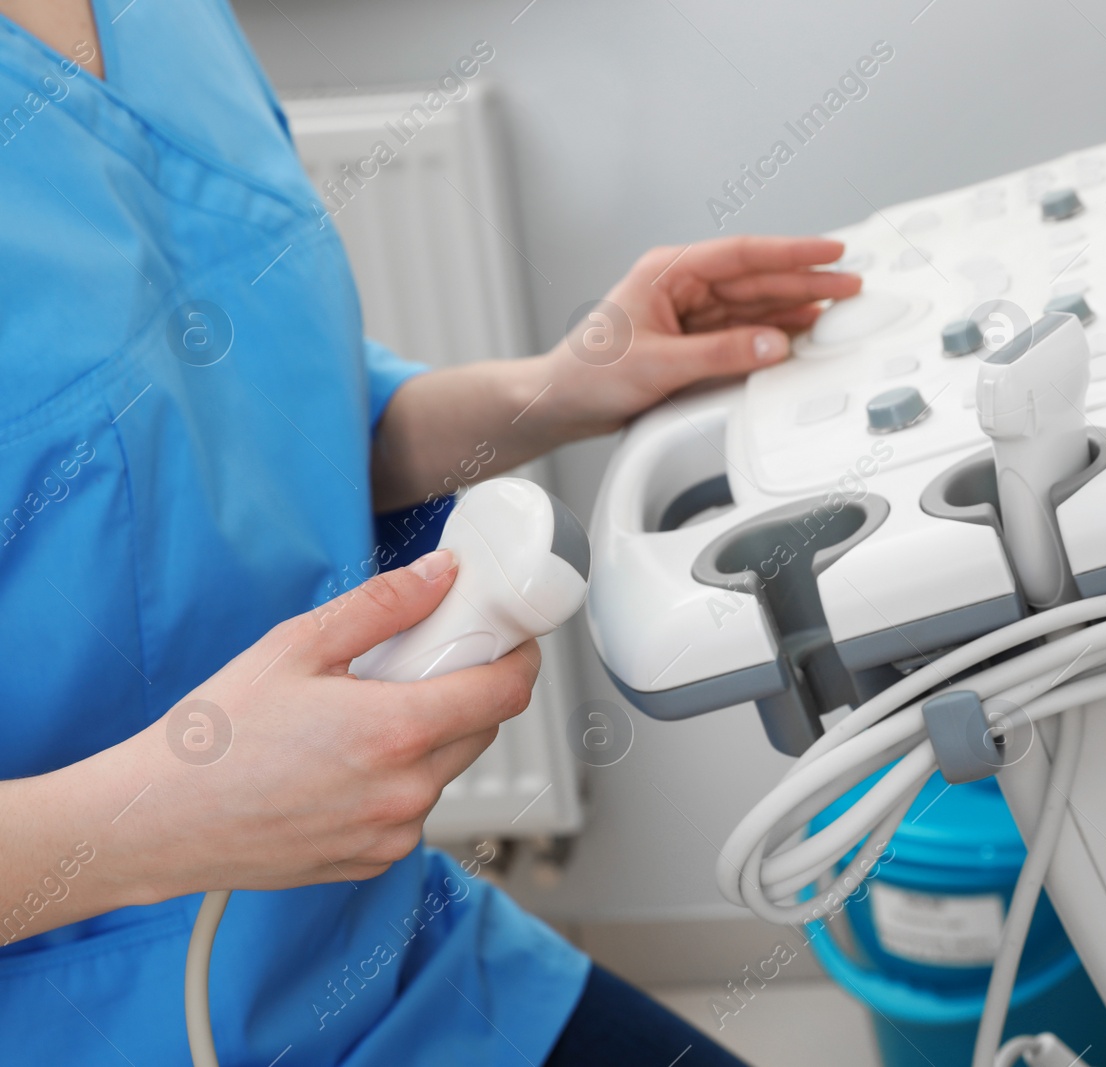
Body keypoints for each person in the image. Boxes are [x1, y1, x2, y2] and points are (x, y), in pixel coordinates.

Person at [0, 0, 861, 1062]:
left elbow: (264, 433)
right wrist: (154, 818)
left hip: (386, 956)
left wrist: (563, 385)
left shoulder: (167, 22)